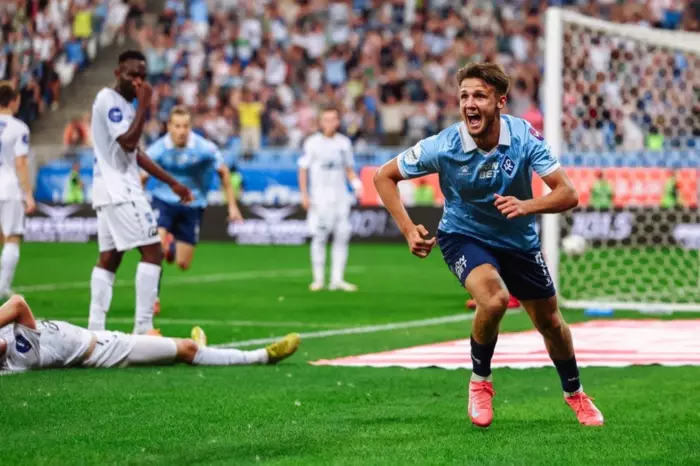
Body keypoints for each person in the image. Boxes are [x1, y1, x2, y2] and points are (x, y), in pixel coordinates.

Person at [373, 63, 604, 428]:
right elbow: (383, 176)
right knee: (494, 299)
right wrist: (407, 229)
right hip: (463, 236)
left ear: (500, 102)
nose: (470, 103)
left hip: (519, 240)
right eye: (464, 96)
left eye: (479, 95)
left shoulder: (523, 136)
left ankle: (575, 393)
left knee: (550, 322)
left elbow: (568, 193)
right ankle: (480, 382)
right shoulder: (444, 145)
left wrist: (526, 206)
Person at [88, 50, 193, 335]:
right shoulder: (109, 100)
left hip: (108, 189)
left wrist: (171, 182)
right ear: (117, 73)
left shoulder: (124, 106)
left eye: (142, 77)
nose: (138, 81)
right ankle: (143, 328)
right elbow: (128, 142)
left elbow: (135, 154)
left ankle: (95, 329)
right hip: (120, 189)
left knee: (109, 258)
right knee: (153, 251)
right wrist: (145, 103)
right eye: (132, 75)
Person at [0, 295, 300, 373]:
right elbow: (17, 303)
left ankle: (198, 348)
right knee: (187, 350)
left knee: (157, 340)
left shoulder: (7, 341)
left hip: (97, 336)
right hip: (105, 352)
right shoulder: (21, 357)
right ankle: (262, 356)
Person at [144, 106, 243, 313]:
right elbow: (141, 177)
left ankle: (171, 247)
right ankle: (153, 298)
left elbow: (224, 173)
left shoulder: (205, 149)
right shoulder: (158, 149)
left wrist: (232, 206)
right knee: (155, 248)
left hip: (193, 204)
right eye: (177, 126)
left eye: (185, 126)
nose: (181, 131)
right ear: (169, 127)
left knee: (183, 263)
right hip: (164, 201)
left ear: (190, 127)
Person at [298, 104, 363, 292]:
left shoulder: (344, 143)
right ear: (320, 122)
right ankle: (318, 279)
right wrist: (304, 194)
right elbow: (303, 168)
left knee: (342, 236)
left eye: (333, 119)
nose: (330, 123)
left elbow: (349, 169)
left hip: (341, 197)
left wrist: (357, 184)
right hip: (320, 198)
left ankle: (337, 279)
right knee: (319, 236)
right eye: (326, 120)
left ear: (338, 122)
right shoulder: (312, 143)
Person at [0, 82, 36, 299]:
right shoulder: (19, 128)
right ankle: (2, 288)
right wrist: (28, 194)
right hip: (9, 188)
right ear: (14, 101)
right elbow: (20, 163)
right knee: (12, 238)